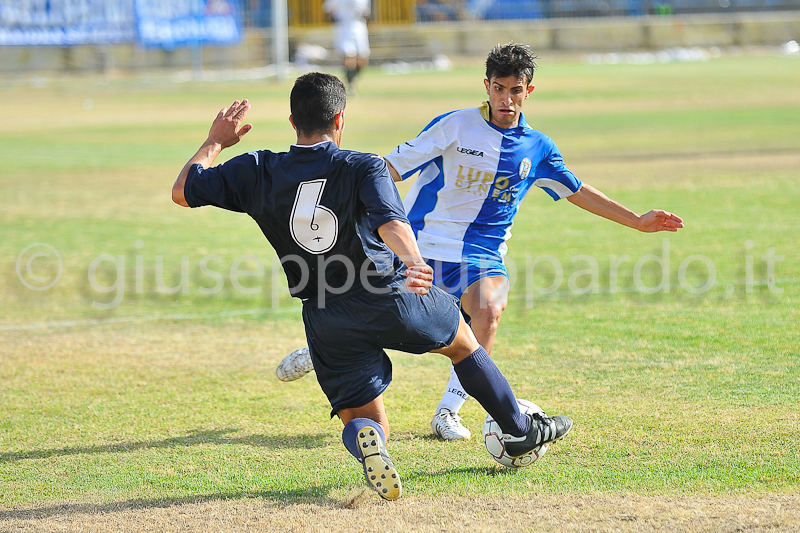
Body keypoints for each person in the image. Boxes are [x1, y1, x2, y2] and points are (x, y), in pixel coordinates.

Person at [171, 72, 573, 501]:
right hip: (388, 293)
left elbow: (182, 191)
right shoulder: (362, 165)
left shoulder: (256, 168)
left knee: (368, 421)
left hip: (325, 313)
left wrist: (216, 140)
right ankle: (520, 430)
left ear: (292, 121)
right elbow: (391, 222)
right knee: (462, 342)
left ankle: (371, 442)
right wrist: (415, 262)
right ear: (339, 119)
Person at [276, 43, 684, 442]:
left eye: (516, 90)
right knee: (397, 322)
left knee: (488, 311)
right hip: (421, 248)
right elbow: (389, 169)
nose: (507, 98)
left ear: (529, 91)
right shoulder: (454, 126)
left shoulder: (537, 147)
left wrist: (636, 221)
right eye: (499, 88)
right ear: (486, 86)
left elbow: (576, 189)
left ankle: (447, 412)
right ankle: (328, 348)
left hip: (482, 257)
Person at [323, 0, 370, 94]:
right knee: (349, 56)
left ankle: (353, 78)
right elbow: (327, 10)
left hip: (359, 27)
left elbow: (366, 12)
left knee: (362, 59)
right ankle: (350, 84)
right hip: (343, 28)